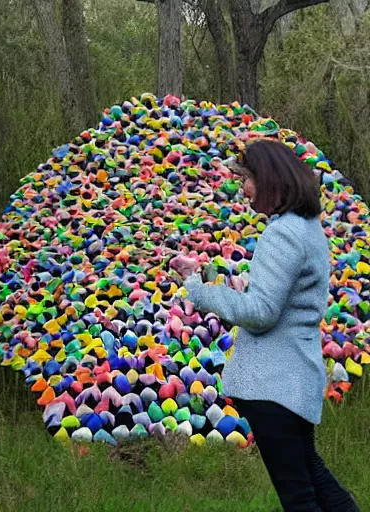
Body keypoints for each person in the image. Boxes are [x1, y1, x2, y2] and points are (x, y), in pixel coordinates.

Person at [169, 139, 359, 512]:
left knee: (299, 496)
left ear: (269, 178)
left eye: (247, 179)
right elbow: (285, 301)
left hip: (275, 384)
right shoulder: (307, 228)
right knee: (312, 476)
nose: (243, 189)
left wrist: (197, 289)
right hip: (293, 379)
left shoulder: (283, 233)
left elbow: (261, 312)